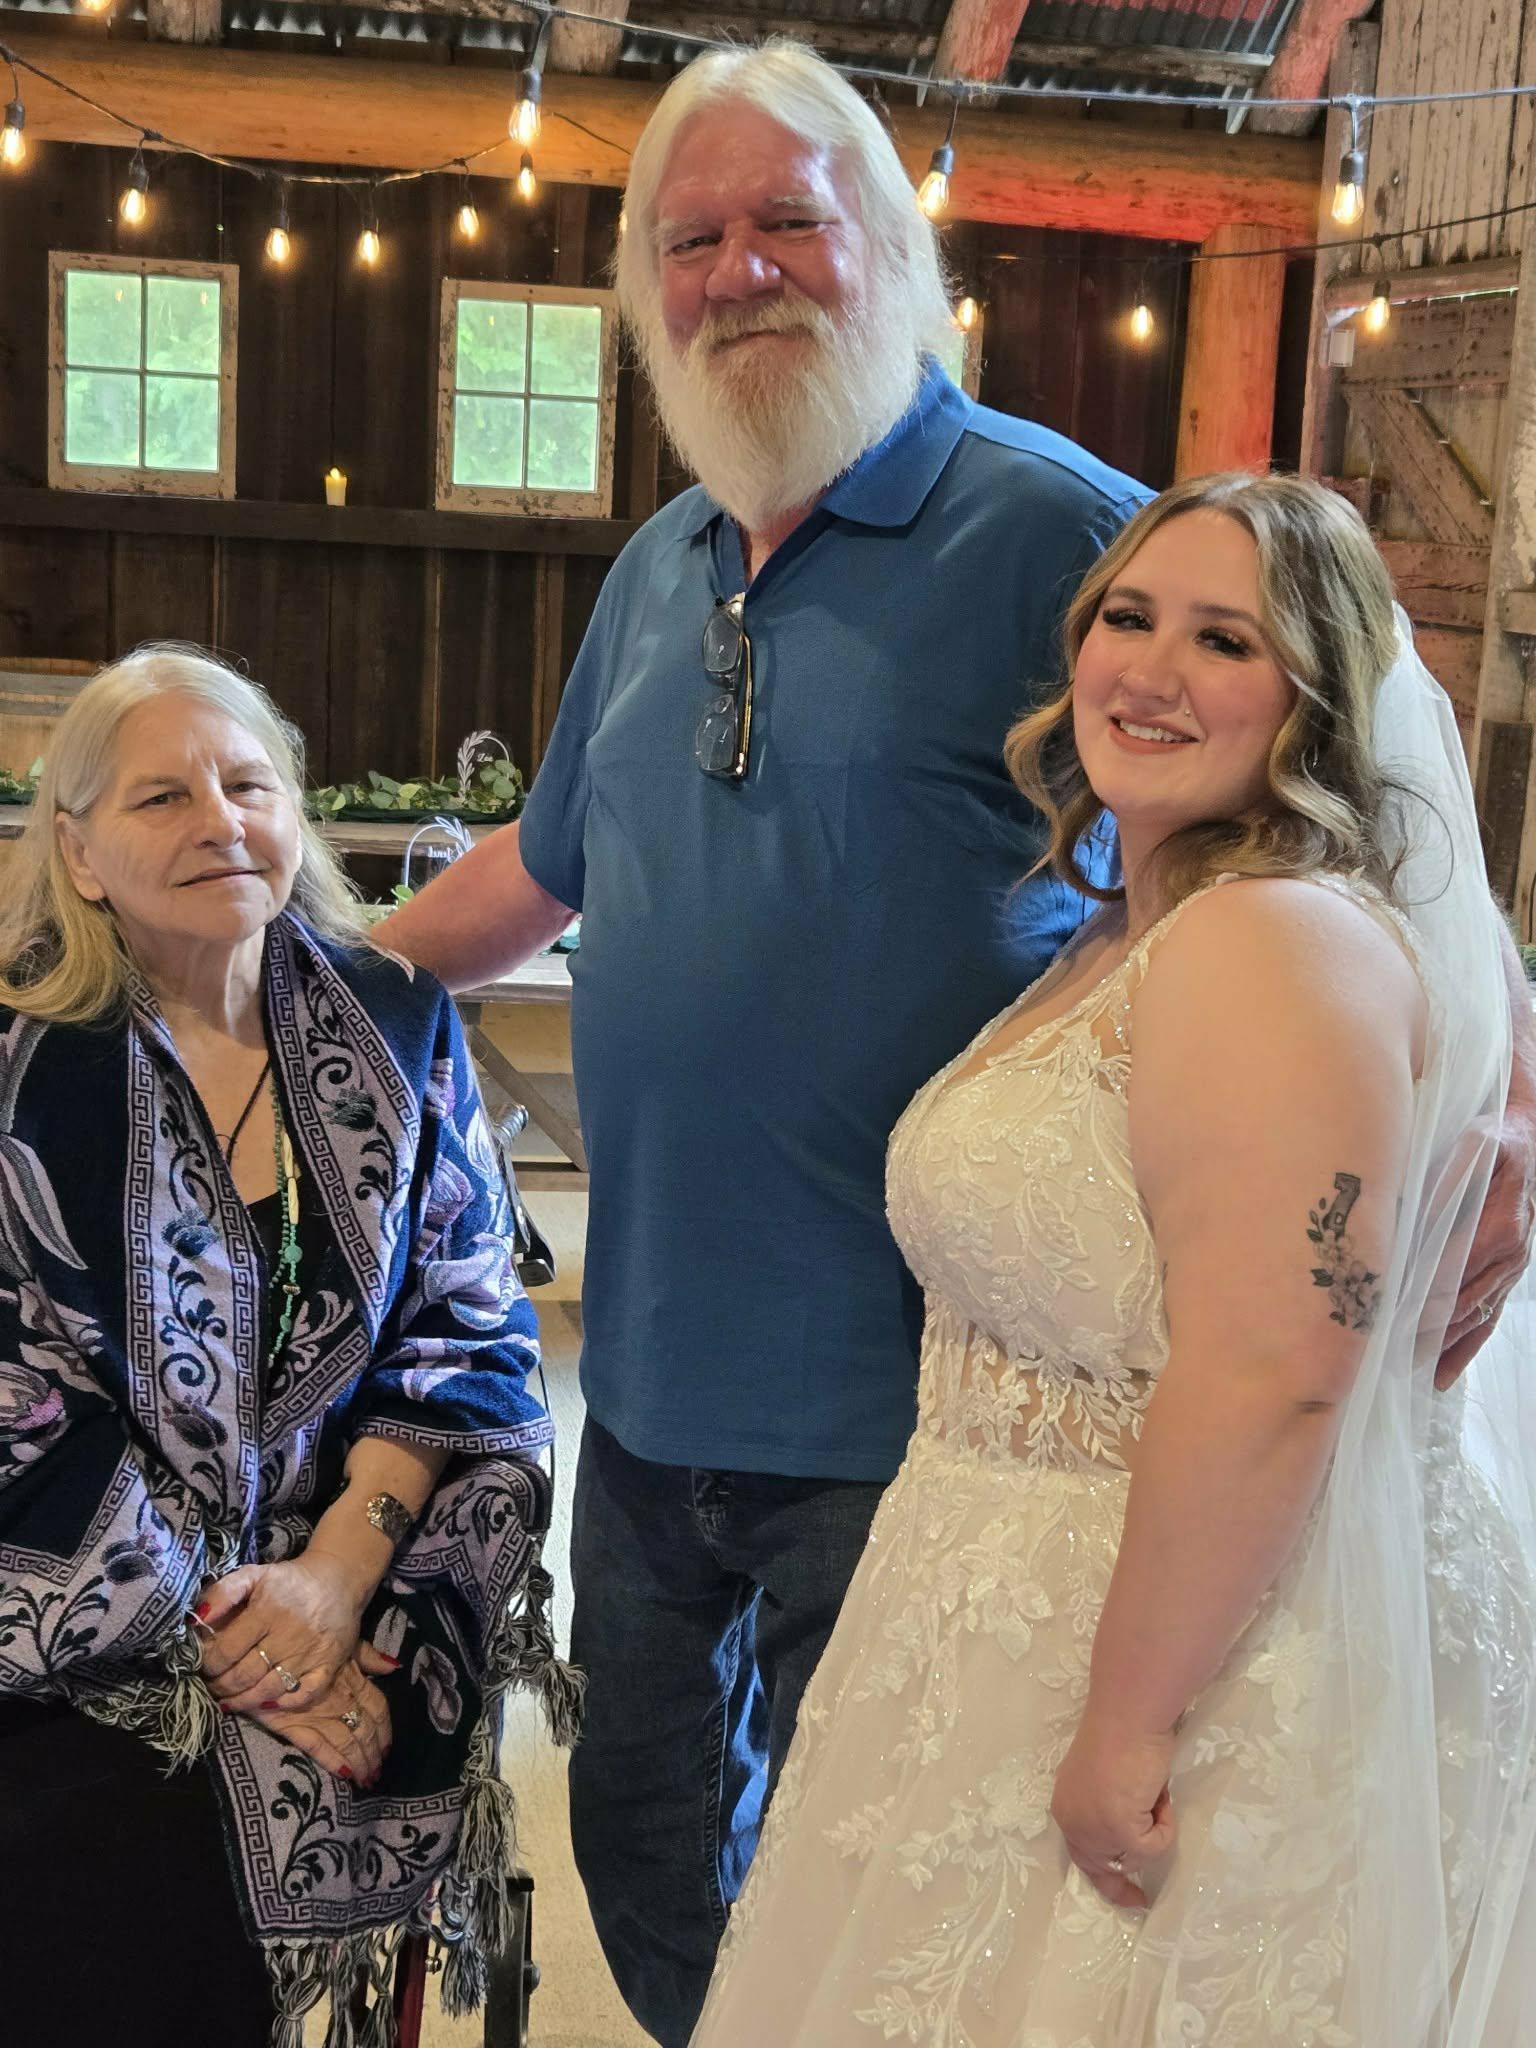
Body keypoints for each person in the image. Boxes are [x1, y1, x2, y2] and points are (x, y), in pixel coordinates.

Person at [376, 39, 1536, 2047]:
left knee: (937, 1894)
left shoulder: (1071, 543)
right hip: (646, 1392)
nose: (740, 271)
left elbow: (1353, 818)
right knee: (654, 1843)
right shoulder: (660, 567)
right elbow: (541, 870)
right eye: (692, 238)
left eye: (788, 223)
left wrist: (1497, 1106)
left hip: (924, 1418)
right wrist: (292, 979)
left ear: (892, 247)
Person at [688, 473, 1536, 2046]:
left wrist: (1130, 1725)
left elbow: (1281, 1368)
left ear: (1315, 697)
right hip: (994, 1615)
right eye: (1128, 618)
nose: (1148, 671)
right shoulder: (1122, 928)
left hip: (1184, 1661)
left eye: (1226, 639)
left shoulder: (1271, 938)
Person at [0, 646, 575, 2048]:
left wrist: (335, 1581)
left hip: (362, 1589)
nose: (217, 821)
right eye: (159, 798)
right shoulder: (24, 1070)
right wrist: (244, 1640)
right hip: (76, 1616)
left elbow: (472, 1330)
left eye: (248, 783)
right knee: (103, 1851)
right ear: (76, 853)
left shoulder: (396, 1025)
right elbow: (19, 1404)